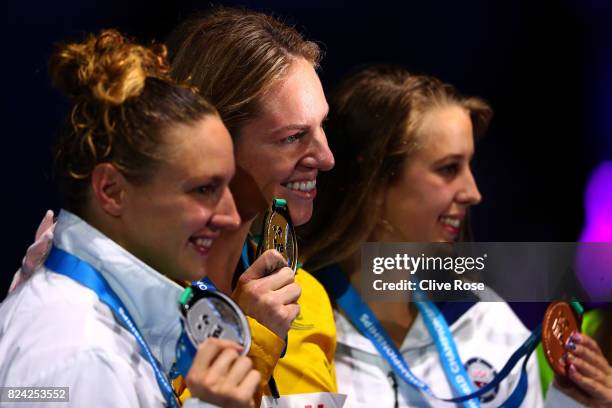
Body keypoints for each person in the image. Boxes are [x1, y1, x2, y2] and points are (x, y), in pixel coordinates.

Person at [0, 30, 261, 407]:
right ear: (112, 191)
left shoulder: (91, 329)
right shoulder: (80, 355)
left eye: (227, 186)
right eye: (204, 190)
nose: (230, 215)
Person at [299, 65, 543, 407]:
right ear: (375, 182)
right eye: (448, 169)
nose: (473, 193)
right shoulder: (296, 326)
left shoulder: (486, 321)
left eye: (469, 166)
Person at [166, 7, 339, 406]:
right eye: (293, 137)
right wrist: (250, 337)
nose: (327, 157)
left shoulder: (305, 297)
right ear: (214, 144)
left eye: (322, 127)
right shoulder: (146, 306)